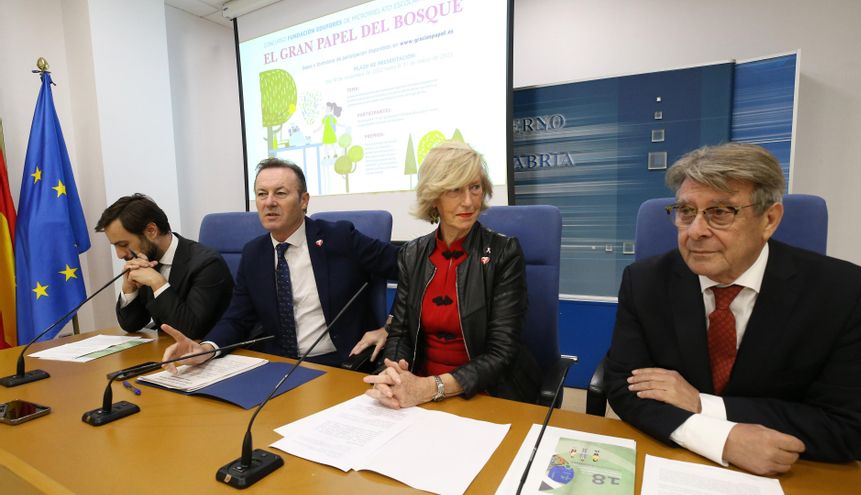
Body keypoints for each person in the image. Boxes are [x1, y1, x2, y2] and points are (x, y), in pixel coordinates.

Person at [604, 143, 861, 476]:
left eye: (720, 212)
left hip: (791, 471)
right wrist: (721, 439)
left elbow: (845, 425)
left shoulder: (848, 294)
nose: (695, 231)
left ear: (769, 220)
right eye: (686, 211)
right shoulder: (645, 281)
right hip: (675, 462)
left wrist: (704, 405)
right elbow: (625, 387)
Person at [161, 158, 398, 368]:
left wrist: (390, 327)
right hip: (278, 366)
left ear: (303, 200)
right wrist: (207, 348)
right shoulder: (254, 253)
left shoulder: (339, 238)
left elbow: (411, 267)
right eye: (262, 194)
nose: (269, 202)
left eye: (280, 193)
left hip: (339, 363)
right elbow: (237, 318)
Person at [364, 141, 541, 408]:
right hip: (418, 387)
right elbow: (400, 332)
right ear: (434, 196)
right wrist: (395, 373)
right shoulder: (413, 254)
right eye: (454, 190)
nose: (468, 201)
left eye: (475, 187)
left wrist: (431, 387)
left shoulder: (504, 253)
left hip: (484, 391)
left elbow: (501, 353)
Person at [95, 194, 234, 339]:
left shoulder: (207, 263)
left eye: (123, 244)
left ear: (151, 231)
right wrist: (129, 289)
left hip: (214, 352)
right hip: (168, 351)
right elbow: (131, 325)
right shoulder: (147, 260)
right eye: (115, 246)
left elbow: (191, 331)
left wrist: (157, 283)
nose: (119, 255)